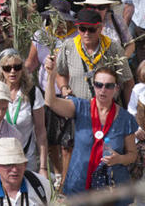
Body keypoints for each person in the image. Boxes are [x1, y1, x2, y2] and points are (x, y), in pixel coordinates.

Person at [44, 58, 137, 198]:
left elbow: (132, 155)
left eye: (109, 86)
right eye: (99, 85)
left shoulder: (125, 118)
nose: (103, 90)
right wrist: (51, 75)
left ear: (116, 88)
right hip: (79, 185)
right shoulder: (81, 107)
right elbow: (51, 102)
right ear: (93, 86)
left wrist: (119, 159)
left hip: (112, 189)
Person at [55, 9, 134, 105]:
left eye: (91, 29)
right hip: (78, 108)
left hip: (107, 108)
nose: (86, 33)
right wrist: (64, 89)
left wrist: (131, 110)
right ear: (78, 28)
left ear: (100, 28)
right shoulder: (68, 46)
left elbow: (127, 82)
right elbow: (61, 73)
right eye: (82, 29)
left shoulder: (113, 48)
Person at [0, 49, 48, 174]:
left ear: (22, 69)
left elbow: (40, 131)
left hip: (26, 159)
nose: (13, 71)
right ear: (0, 69)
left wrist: (43, 167)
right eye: (7, 68)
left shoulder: (33, 93)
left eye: (17, 67)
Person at [0, 137, 53, 205]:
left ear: (25, 165)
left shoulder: (41, 184)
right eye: (8, 165)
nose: (15, 170)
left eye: (18, 164)